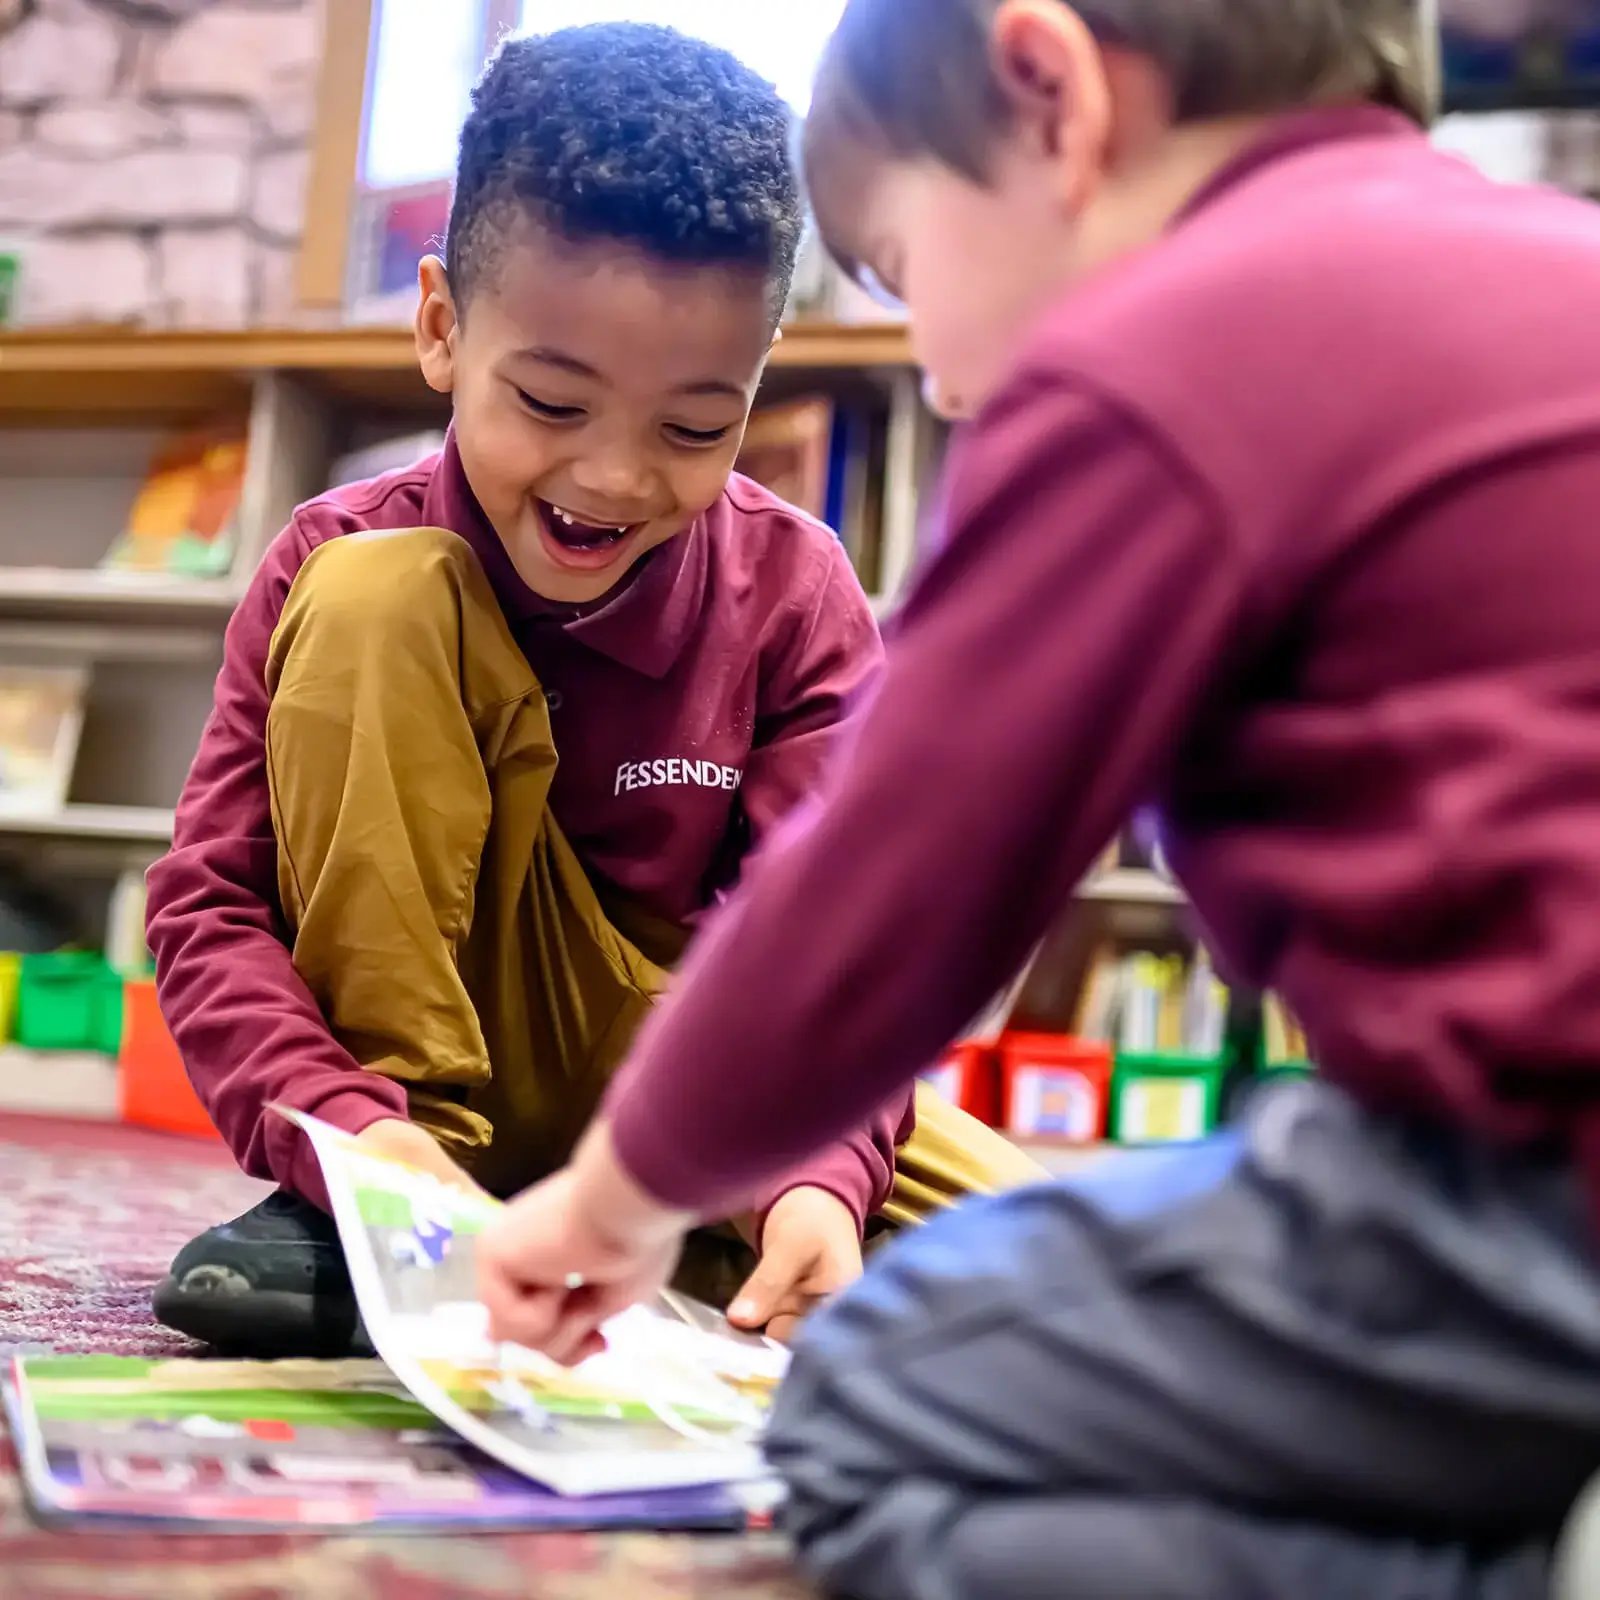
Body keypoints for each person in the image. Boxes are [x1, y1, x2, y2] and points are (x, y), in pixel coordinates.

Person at [476, 2, 1600, 1596]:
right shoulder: (1552, 258)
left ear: (1049, 92)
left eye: (905, 269)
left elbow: (895, 889)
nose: (933, 377)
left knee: (865, 1404)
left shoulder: (1165, 357)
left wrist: (617, 1196)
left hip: (1525, 1191)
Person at [145, 22, 1040, 1361]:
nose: (616, 480)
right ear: (444, 328)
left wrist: (817, 1177)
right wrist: (354, 1133)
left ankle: (690, 1224)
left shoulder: (794, 592)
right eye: (554, 404)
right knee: (378, 596)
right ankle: (377, 1217)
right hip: (415, 1088)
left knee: (1084, 1285)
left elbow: (832, 948)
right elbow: (209, 903)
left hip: (704, 1088)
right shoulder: (331, 557)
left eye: (694, 427)